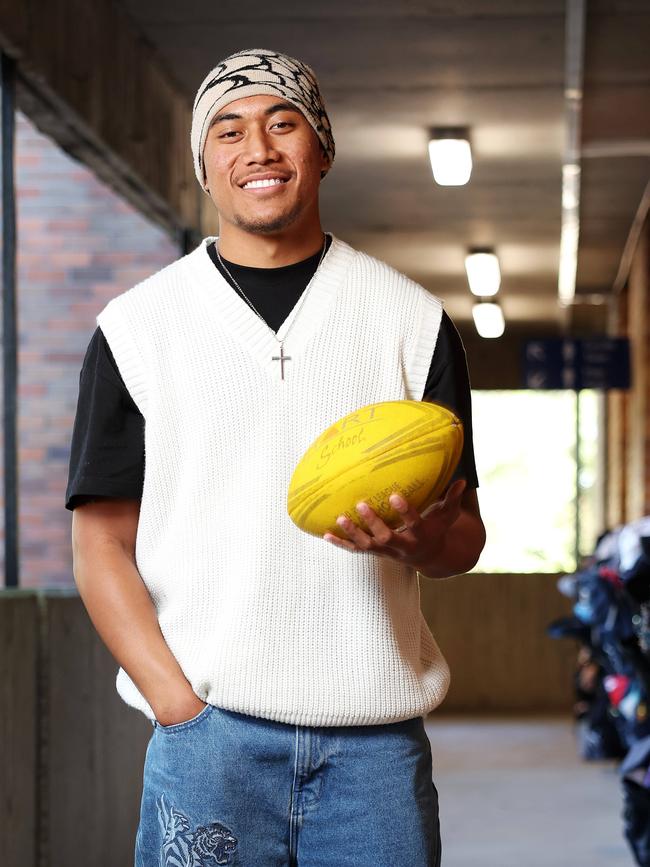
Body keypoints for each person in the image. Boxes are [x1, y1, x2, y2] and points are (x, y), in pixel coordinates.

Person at [67, 47, 486, 867]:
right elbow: (100, 543)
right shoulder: (137, 328)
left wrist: (422, 541)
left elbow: (465, 536)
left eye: (282, 123)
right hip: (208, 741)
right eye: (228, 131)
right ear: (204, 165)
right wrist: (179, 707)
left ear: (320, 148)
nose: (257, 147)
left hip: (375, 752)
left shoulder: (411, 320)